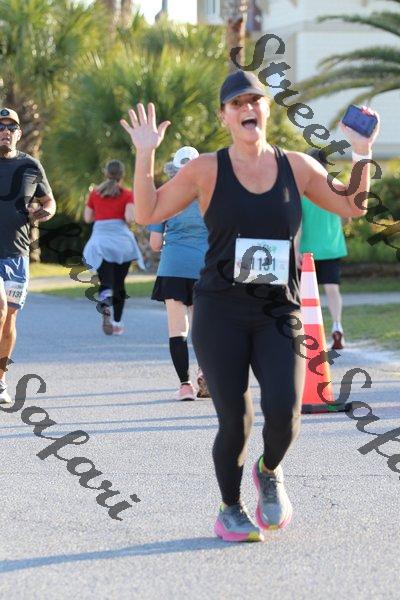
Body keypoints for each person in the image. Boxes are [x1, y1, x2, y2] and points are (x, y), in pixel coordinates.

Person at [121, 70, 379, 543]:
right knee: (235, 422)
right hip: (220, 311)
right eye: (236, 103)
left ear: (266, 110)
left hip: (279, 311)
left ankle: (269, 469)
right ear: (224, 116)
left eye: (254, 101)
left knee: (285, 413)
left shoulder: (297, 167)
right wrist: (144, 154)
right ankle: (230, 508)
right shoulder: (205, 170)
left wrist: (362, 152)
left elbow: (353, 206)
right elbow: (148, 212)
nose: (247, 108)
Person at [0, 107, 56, 404]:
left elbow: (49, 201)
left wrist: (45, 212)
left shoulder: (31, 166)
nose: (5, 132)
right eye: (0, 127)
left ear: (19, 133)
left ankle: (0, 380)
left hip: (17, 253)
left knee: (9, 318)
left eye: (11, 127)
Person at [148, 146, 210, 401]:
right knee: (203, 328)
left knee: (178, 330)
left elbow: (154, 244)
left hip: (173, 268)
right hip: (205, 269)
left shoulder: (164, 196)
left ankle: (185, 386)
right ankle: (205, 373)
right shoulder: (210, 195)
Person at [83, 160, 144, 335]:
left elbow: (87, 218)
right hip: (122, 243)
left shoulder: (95, 193)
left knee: (106, 283)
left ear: (106, 173)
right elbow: (129, 218)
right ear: (122, 175)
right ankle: (117, 323)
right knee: (119, 284)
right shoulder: (127, 194)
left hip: (101, 242)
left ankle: (105, 306)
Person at [300, 148, 348, 350]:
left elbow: (298, 223)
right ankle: (337, 326)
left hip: (306, 250)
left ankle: (306, 334)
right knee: (332, 289)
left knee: (305, 294)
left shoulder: (303, 190)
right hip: (332, 246)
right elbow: (346, 217)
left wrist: (294, 250)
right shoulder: (338, 186)